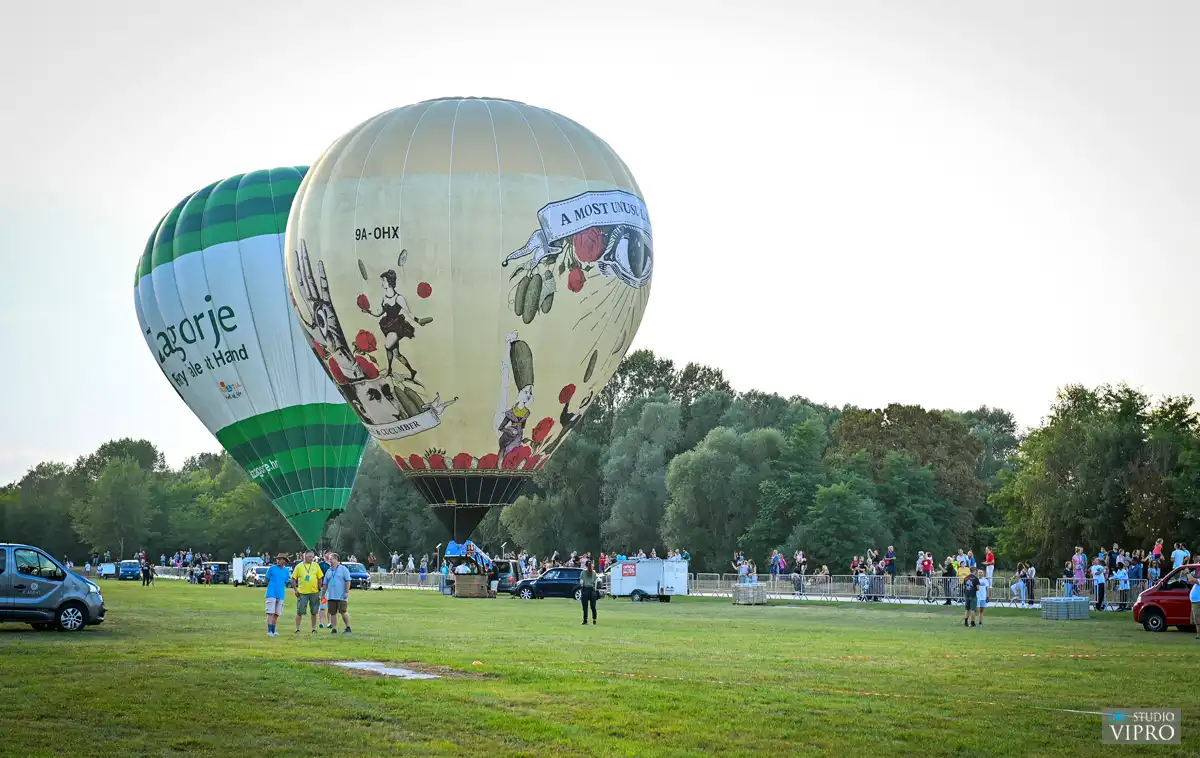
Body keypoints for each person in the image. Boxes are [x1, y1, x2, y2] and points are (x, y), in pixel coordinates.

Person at [291, 550, 324, 634]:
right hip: (302, 593)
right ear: (305, 557)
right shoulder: (299, 566)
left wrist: (319, 587)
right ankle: (297, 628)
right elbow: (293, 579)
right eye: (310, 557)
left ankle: (314, 628)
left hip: (314, 592)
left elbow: (320, 577)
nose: (311, 558)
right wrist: (295, 590)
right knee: (300, 611)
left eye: (312, 557)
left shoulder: (316, 565)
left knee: (314, 611)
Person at [322, 553, 352, 634]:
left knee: (343, 611)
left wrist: (346, 592)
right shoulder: (329, 571)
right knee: (332, 613)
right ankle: (334, 629)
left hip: (341, 596)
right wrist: (323, 594)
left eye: (331, 559)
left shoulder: (343, 569)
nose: (330, 561)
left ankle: (348, 627)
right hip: (331, 596)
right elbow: (325, 584)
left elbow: (348, 580)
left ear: (336, 560)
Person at [264, 554, 291, 636]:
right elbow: (266, 580)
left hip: (281, 594)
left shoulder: (286, 571)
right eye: (277, 559)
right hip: (271, 593)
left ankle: (273, 630)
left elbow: (286, 581)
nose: (278, 560)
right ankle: (269, 631)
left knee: (277, 613)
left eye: (280, 559)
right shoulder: (271, 568)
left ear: (284, 561)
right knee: (270, 613)